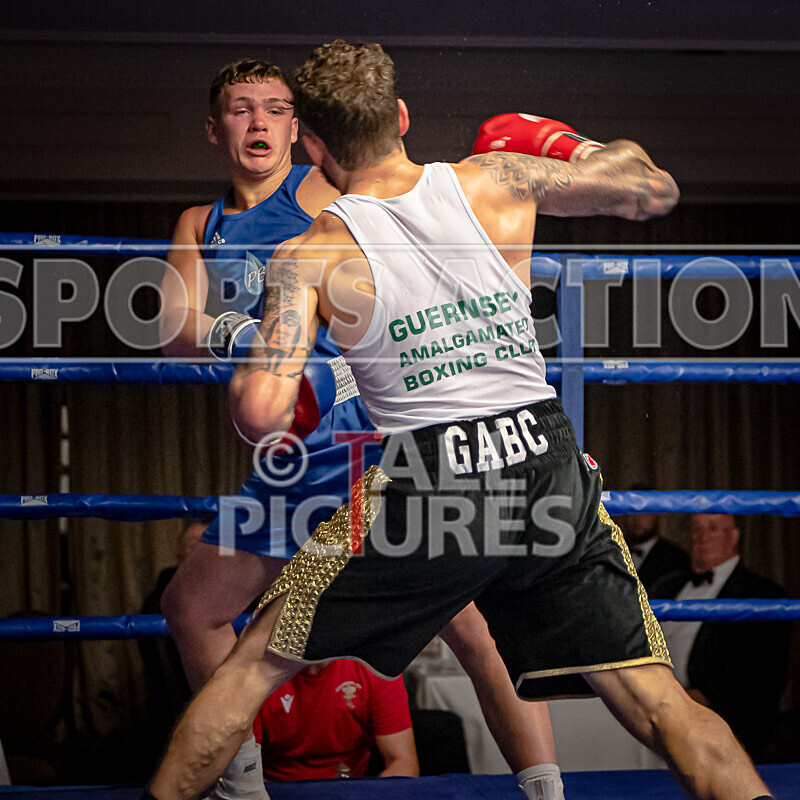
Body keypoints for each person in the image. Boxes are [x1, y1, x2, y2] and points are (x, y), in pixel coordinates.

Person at [145, 42, 770, 800]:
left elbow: (258, 415)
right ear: (402, 116)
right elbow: (652, 188)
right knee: (657, 700)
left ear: (313, 145)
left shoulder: (308, 253)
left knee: (249, 667)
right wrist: (565, 143)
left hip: (426, 473)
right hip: (543, 456)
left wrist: (285, 366)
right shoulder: (497, 174)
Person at [158, 58, 565, 800]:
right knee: (193, 608)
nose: (257, 122)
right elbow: (169, 326)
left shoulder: (325, 191)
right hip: (290, 457)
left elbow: (411, 257)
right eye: (241, 109)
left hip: (371, 441)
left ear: (303, 132)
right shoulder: (201, 222)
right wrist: (254, 333)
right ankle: (241, 785)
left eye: (275, 109)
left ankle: (546, 789)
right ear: (214, 128)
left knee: (472, 627)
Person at [653, 514, 790, 758]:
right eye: (696, 529)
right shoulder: (666, 586)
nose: (702, 537)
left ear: (734, 536)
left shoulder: (762, 594)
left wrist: (692, 699)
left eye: (712, 529)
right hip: (652, 714)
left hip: (721, 728)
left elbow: (761, 675)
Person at [253, 660, 417, 780]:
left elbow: (404, 762)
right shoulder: (257, 672)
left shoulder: (376, 666)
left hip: (348, 788)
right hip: (273, 790)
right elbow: (239, 768)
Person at [619, 484, 690, 594]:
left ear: (657, 514)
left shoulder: (676, 559)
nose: (636, 518)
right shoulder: (613, 552)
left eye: (644, 512)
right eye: (631, 511)